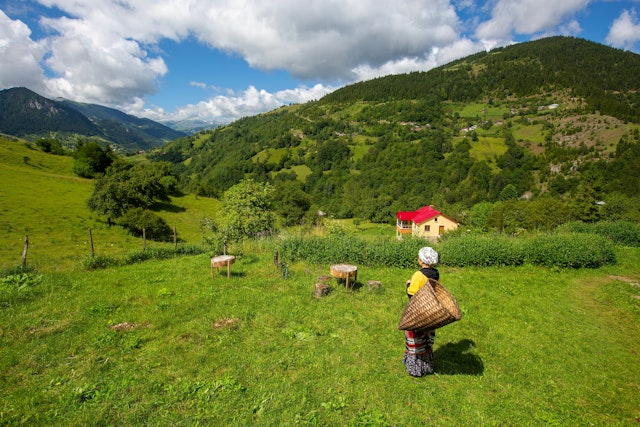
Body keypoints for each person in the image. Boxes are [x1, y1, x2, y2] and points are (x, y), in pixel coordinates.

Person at [402, 246, 439, 377]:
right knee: (426, 338)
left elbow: (412, 294)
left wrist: (408, 284)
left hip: (418, 312)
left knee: (415, 337)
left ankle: (415, 367)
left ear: (422, 261)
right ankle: (427, 365)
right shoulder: (436, 274)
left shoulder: (418, 275)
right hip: (430, 311)